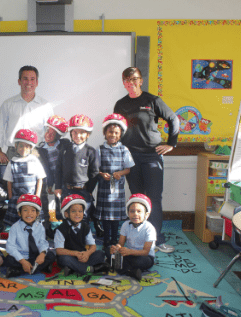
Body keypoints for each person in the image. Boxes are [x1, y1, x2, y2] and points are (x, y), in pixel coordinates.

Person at [113, 67, 179, 253]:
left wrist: (171, 144)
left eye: (134, 79)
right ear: (124, 82)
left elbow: (173, 119)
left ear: (140, 80)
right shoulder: (120, 104)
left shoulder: (152, 100)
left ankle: (155, 240)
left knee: (154, 199)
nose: (131, 82)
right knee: (137, 198)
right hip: (130, 158)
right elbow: (116, 128)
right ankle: (139, 240)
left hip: (151, 155)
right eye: (127, 79)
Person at [0, 65, 54, 164]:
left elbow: (51, 132)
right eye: (25, 79)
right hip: (13, 153)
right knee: (11, 179)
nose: (29, 82)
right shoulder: (8, 104)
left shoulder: (45, 106)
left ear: (37, 82)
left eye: (32, 79)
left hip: (37, 153)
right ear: (19, 81)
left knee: (37, 180)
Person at [96, 114, 134, 259]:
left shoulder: (124, 149)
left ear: (120, 135)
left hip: (117, 189)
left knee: (115, 218)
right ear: (105, 133)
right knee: (106, 217)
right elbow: (96, 168)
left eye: (116, 133)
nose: (113, 135)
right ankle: (106, 241)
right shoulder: (99, 149)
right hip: (105, 189)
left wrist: (120, 173)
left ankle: (114, 240)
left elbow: (128, 169)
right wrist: (101, 174)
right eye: (110, 132)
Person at [54, 114, 100, 235]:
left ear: (88, 134)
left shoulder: (91, 151)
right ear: (71, 133)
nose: (78, 136)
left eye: (82, 133)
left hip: (83, 191)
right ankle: (68, 240)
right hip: (66, 189)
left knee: (82, 217)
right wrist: (58, 187)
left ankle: (82, 241)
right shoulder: (64, 149)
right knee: (67, 215)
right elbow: (58, 169)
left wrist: (89, 190)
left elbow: (94, 173)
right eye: (75, 132)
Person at [55, 194, 110, 276]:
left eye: (80, 211)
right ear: (66, 214)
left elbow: (93, 246)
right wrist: (76, 253)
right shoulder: (61, 229)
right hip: (70, 256)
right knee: (63, 259)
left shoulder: (85, 227)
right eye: (73, 211)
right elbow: (59, 250)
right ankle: (90, 269)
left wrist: (87, 254)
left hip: (83, 256)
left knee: (100, 254)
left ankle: (73, 269)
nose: (77, 214)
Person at [4, 194, 56, 278]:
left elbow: (43, 242)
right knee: (8, 259)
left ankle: (17, 271)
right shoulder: (15, 227)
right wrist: (23, 261)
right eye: (25, 210)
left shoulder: (40, 227)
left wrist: (42, 254)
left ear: (37, 213)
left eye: (33, 210)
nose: (29, 213)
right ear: (19, 213)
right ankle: (38, 268)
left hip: (35, 257)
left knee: (51, 255)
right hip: (21, 257)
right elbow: (10, 247)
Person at [2, 129, 46, 227]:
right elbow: (9, 181)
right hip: (17, 199)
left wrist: (37, 196)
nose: (23, 148)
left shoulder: (34, 160)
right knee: (15, 224)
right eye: (21, 145)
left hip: (31, 198)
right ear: (16, 146)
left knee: (33, 222)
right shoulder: (12, 162)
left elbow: (40, 179)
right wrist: (10, 197)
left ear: (31, 147)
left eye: (27, 146)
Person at [110, 194, 156, 281]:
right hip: (129, 254)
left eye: (139, 211)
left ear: (146, 214)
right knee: (109, 251)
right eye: (132, 211)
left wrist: (129, 252)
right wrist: (116, 248)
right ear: (128, 213)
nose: (135, 214)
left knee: (139, 262)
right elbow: (120, 243)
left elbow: (146, 252)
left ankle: (123, 268)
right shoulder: (125, 224)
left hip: (144, 257)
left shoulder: (149, 228)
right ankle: (132, 271)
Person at [36, 115, 69, 235]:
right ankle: (46, 225)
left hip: (64, 179)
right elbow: (45, 169)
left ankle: (66, 226)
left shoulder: (65, 144)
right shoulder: (40, 149)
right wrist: (50, 184)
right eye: (47, 130)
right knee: (43, 198)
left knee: (63, 201)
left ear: (59, 135)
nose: (49, 134)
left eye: (53, 133)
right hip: (48, 178)